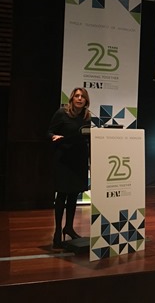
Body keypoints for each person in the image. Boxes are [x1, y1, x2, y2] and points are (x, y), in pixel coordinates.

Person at [47, 87, 91, 249]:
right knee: (62, 194)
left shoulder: (87, 116)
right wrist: (54, 136)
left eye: (83, 97)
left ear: (86, 100)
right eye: (77, 96)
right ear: (72, 98)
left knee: (74, 194)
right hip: (64, 159)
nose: (79, 99)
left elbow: (88, 137)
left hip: (79, 159)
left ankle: (69, 228)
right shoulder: (62, 113)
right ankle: (58, 231)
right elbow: (49, 132)